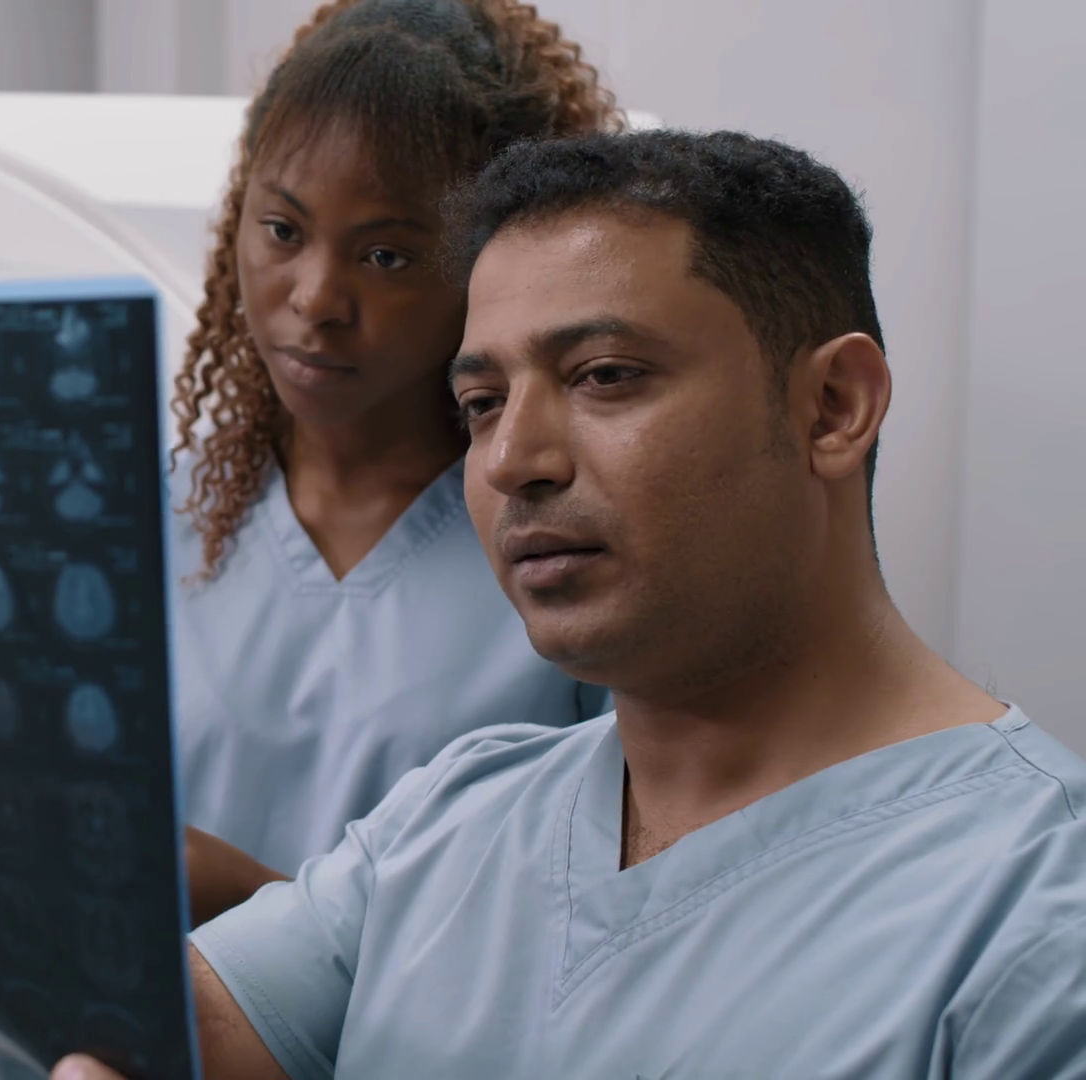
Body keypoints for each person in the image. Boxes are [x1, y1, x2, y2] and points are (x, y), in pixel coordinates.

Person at [61, 130, 1086, 1079]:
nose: (513, 459)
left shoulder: (1035, 905)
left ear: (832, 407)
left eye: (603, 377)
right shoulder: (453, 822)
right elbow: (137, 1036)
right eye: (482, 403)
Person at [169, 0, 616, 920]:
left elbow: (604, 930)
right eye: (283, 230)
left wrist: (257, 914)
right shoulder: (141, 517)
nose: (316, 299)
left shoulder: (568, 549)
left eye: (384, 255)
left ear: (492, 263)